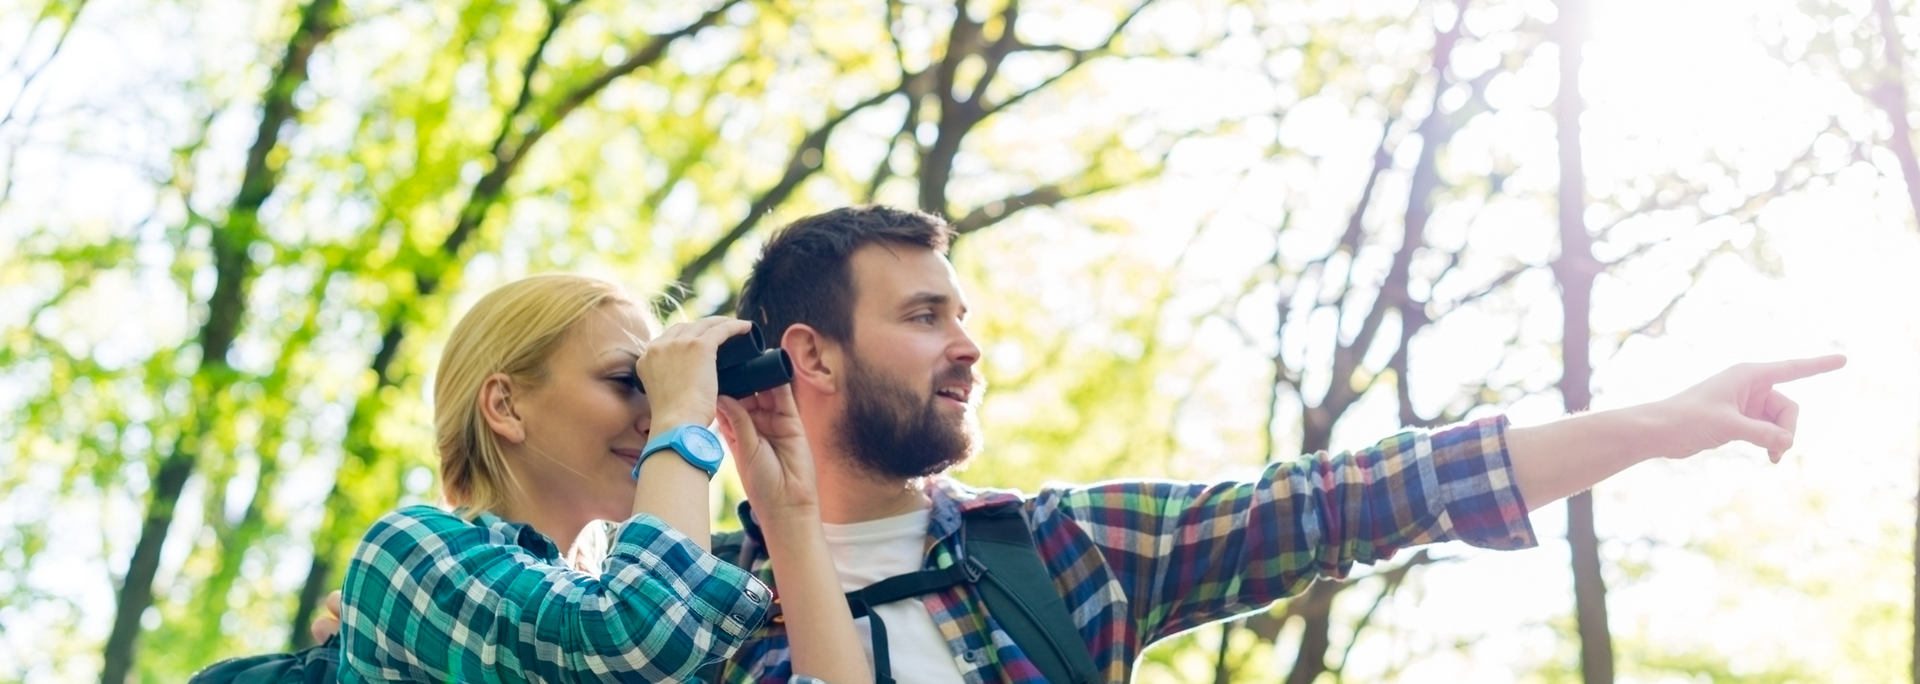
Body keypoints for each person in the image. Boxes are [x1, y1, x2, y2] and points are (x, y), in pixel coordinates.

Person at [313, 208, 1843, 683]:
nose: (970, 343)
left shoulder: (1051, 559)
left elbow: (1343, 500)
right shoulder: (720, 608)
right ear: (813, 357)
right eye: (926, 315)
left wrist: (1650, 423)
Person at [333, 274, 869, 684]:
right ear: (506, 406)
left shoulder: (619, 599)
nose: (652, 412)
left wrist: (790, 513)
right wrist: (680, 414)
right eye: (624, 381)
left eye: (654, 389)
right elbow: (636, 636)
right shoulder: (409, 552)